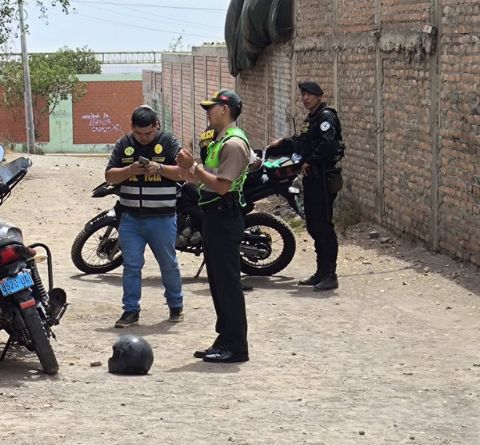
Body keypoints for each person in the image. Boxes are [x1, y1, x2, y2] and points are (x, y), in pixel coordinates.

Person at [177, 90, 251, 363]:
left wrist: (193, 167)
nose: (208, 111)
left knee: (228, 285)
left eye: (212, 107)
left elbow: (221, 186)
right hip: (213, 218)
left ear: (226, 109)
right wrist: (182, 171)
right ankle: (225, 338)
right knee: (218, 284)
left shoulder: (233, 144)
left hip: (224, 218)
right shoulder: (219, 141)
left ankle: (236, 346)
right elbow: (206, 180)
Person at [105, 105, 184, 328]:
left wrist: (159, 168)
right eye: (138, 133)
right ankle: (130, 311)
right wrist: (129, 171)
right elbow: (109, 176)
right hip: (131, 219)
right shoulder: (124, 144)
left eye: (148, 133)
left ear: (157, 125)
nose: (143, 138)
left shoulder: (168, 143)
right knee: (131, 266)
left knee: (168, 264)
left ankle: (175, 305)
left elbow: (183, 172)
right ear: (132, 128)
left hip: (162, 218)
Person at [268, 81, 345, 291]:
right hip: (312, 178)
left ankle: (330, 275)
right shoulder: (312, 119)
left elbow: (328, 145)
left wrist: (310, 161)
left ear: (319, 96)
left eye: (309, 95)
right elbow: (302, 141)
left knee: (323, 225)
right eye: (302, 95)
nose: (305, 98)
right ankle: (321, 272)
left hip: (322, 178)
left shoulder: (326, 117)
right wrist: (283, 143)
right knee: (313, 224)